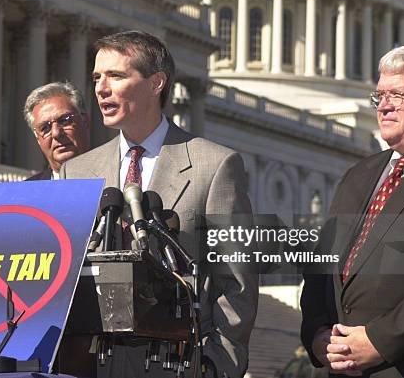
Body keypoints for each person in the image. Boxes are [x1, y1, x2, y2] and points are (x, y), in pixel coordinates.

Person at [60, 30, 258, 378]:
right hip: (88, 361)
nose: (101, 88)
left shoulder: (214, 166)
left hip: (175, 361)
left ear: (156, 83)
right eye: (96, 77)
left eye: (116, 76)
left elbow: (235, 282)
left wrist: (216, 365)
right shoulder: (76, 172)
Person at [301, 44, 404, 377]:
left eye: (399, 95)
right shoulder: (360, 174)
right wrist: (317, 334)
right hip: (341, 365)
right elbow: (321, 264)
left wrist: (379, 340)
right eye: (379, 96)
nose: (384, 107)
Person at [23, 81, 90, 180]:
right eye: (45, 128)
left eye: (64, 120)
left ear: (85, 121)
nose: (56, 133)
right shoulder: (26, 192)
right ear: (37, 138)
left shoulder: (116, 178)